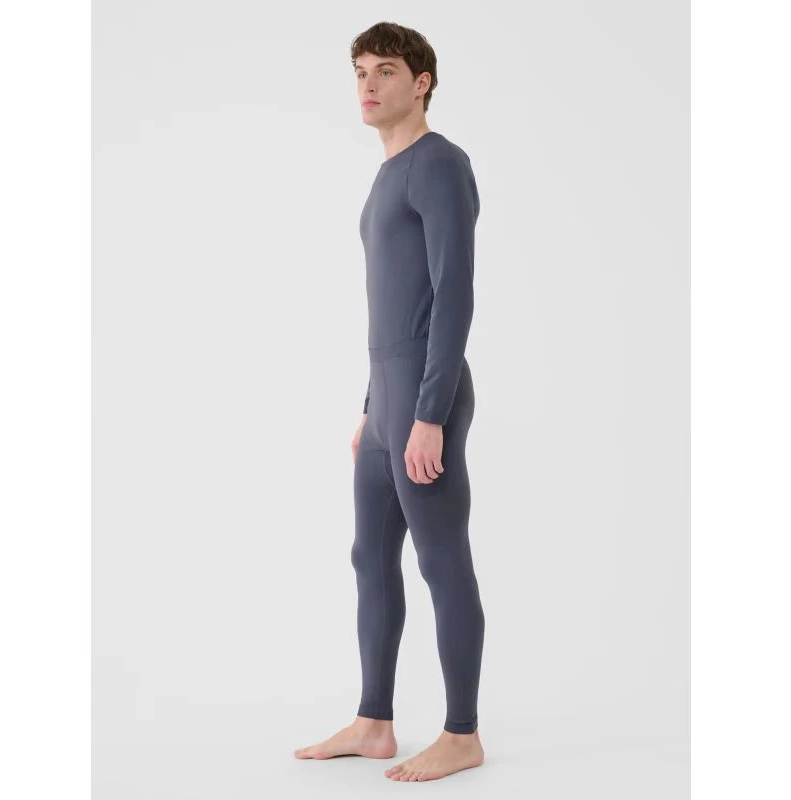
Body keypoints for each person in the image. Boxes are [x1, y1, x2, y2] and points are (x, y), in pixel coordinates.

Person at [294, 21, 485, 782]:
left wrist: (428, 412)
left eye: (385, 71)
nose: (368, 85)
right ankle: (375, 722)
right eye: (360, 72)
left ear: (422, 82)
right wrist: (374, 406)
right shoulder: (386, 176)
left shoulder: (440, 164)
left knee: (441, 558)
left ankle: (462, 734)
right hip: (388, 398)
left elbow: (452, 295)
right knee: (370, 557)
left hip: (425, 394)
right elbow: (390, 306)